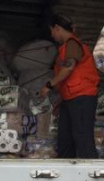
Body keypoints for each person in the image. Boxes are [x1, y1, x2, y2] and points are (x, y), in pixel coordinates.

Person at [39, 14, 99, 159]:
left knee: (83, 139)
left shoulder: (73, 43)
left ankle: (91, 176)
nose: (52, 35)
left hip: (82, 96)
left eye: (51, 31)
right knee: (65, 140)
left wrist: (49, 85)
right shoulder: (65, 48)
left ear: (57, 28)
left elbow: (69, 68)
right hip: (70, 98)